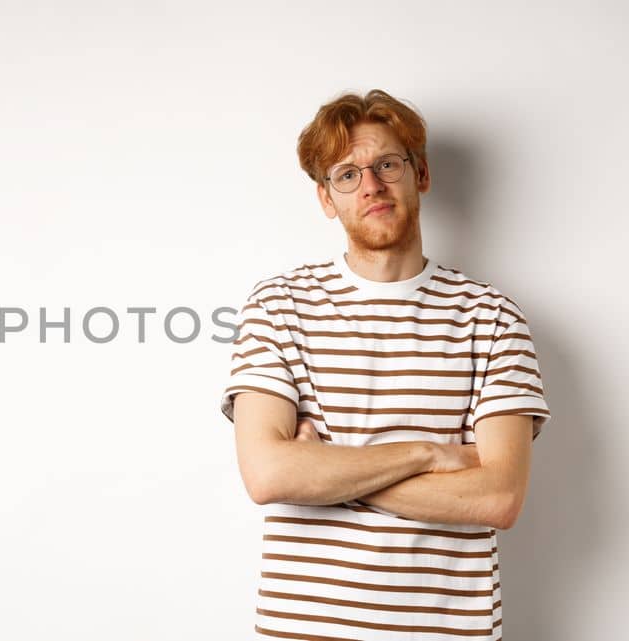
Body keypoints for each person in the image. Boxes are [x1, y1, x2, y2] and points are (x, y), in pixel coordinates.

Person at [220, 89, 549, 640]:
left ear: (420, 173)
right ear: (327, 198)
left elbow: (498, 497)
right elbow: (269, 474)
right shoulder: (279, 305)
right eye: (345, 174)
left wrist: (322, 469)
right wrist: (429, 455)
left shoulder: (492, 316)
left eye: (386, 164)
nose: (369, 185)